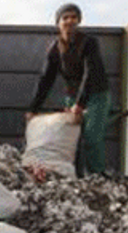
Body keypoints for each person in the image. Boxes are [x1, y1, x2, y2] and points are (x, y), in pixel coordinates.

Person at [26, 3, 112, 176]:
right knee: (71, 138)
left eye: (74, 17)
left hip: (96, 94)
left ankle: (98, 176)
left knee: (92, 137)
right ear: (58, 23)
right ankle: (76, 177)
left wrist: (80, 104)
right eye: (65, 18)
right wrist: (33, 109)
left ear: (79, 21)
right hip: (73, 95)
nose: (70, 21)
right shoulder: (55, 49)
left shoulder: (89, 43)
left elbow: (90, 73)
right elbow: (46, 79)